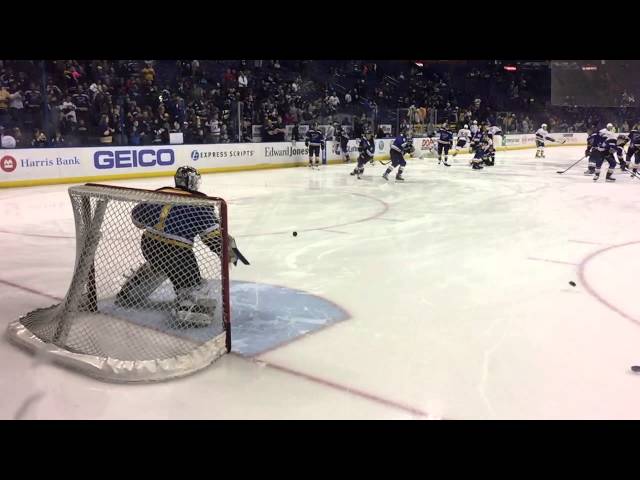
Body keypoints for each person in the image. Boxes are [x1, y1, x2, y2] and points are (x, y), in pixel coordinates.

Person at [116, 166, 249, 327]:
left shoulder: (161, 192)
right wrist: (228, 252)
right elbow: (212, 236)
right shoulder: (200, 202)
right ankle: (190, 312)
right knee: (192, 284)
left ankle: (129, 293)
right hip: (177, 252)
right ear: (193, 182)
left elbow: (137, 218)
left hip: (149, 245)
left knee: (159, 266)